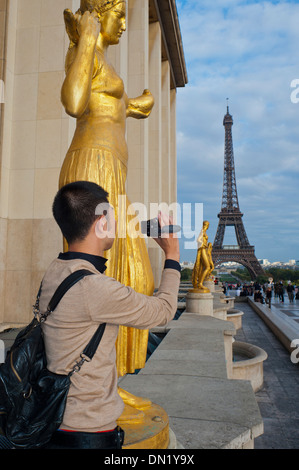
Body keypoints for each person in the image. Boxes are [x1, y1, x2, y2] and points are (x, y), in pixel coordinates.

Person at [40, 181, 181, 449]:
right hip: (88, 430)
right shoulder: (94, 288)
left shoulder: (56, 271)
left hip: (56, 418)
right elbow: (163, 312)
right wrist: (172, 255)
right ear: (101, 223)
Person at [60, 0, 155, 383]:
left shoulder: (104, 61)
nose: (124, 25)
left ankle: (111, 379)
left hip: (111, 172)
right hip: (91, 167)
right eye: (119, 16)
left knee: (133, 276)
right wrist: (85, 38)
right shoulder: (84, 50)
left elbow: (104, 103)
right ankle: (96, 383)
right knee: (105, 278)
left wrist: (131, 106)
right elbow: (73, 101)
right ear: (99, 16)